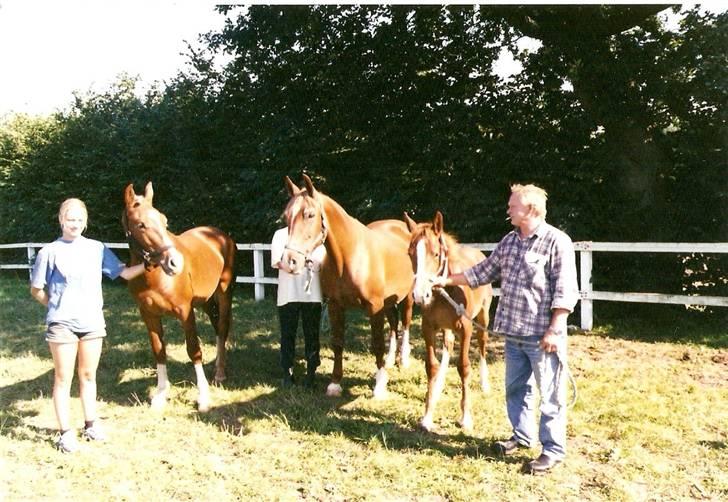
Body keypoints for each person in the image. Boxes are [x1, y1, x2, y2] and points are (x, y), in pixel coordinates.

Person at [432, 184, 579, 474]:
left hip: (542, 336)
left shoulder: (556, 242)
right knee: (516, 389)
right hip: (513, 333)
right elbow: (482, 272)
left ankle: (552, 450)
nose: (508, 209)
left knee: (550, 395)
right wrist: (445, 280)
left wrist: (555, 328)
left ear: (531, 210)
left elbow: (565, 290)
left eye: (513, 206)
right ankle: (521, 437)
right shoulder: (509, 241)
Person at [30, 198, 145, 453]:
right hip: (62, 325)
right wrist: (55, 308)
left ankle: (90, 424)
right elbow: (36, 289)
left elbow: (123, 273)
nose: (75, 224)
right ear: (61, 220)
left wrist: (148, 265)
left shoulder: (97, 248)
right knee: (63, 378)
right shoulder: (49, 252)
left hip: (92, 322)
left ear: (85, 222)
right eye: (70, 219)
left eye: (80, 220)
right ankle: (65, 433)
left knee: (88, 375)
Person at [270, 226, 326, 389]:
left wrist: (310, 262)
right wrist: (291, 268)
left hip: (312, 295)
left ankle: (311, 372)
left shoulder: (316, 237)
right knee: (288, 333)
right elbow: (276, 260)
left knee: (312, 334)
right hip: (288, 294)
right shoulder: (281, 234)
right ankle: (287, 372)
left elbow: (322, 262)